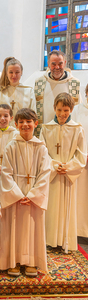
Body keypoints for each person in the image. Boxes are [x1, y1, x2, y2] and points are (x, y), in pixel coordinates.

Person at [0, 108, 51, 277]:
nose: (25, 125)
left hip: (32, 197)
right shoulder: (11, 146)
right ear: (16, 124)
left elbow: (45, 173)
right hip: (16, 196)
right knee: (14, 227)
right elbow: (5, 172)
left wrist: (33, 195)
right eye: (21, 122)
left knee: (32, 228)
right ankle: (13, 262)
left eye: (29, 122)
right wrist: (18, 195)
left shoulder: (41, 148)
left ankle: (31, 262)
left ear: (35, 124)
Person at [40, 93, 86, 252]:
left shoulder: (77, 129)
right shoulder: (46, 128)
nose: (62, 114)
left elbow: (81, 154)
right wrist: (54, 165)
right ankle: (49, 240)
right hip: (52, 174)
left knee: (67, 208)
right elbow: (42, 152)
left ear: (71, 109)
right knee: (51, 207)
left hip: (67, 175)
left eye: (66, 110)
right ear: (54, 108)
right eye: (59, 109)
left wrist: (68, 166)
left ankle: (65, 240)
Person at [34, 50, 81, 136]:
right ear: (48, 64)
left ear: (65, 63)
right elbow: (34, 109)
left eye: (60, 63)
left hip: (67, 133)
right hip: (45, 133)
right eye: (53, 64)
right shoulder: (39, 83)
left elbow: (78, 111)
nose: (57, 67)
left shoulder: (74, 83)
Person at [0, 57, 36, 128]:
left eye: (17, 72)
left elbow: (32, 115)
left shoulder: (29, 91)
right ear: (6, 73)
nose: (14, 75)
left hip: (23, 132)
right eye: (11, 72)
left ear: (21, 72)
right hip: (3, 132)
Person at [72, 84, 88, 238]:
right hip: (81, 159)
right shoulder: (77, 110)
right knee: (82, 197)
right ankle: (81, 231)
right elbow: (73, 134)